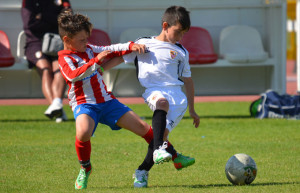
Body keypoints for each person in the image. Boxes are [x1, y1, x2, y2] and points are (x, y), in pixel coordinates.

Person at [57, 11, 182, 190]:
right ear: (67, 40)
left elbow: (113, 48)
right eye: (82, 40)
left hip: (107, 102)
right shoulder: (64, 58)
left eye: (87, 39)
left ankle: (175, 155)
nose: (86, 43)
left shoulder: (90, 49)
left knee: (142, 127)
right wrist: (96, 62)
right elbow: (73, 76)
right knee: (83, 132)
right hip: (84, 104)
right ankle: (86, 168)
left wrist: (132, 46)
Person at [102, 5, 200, 188]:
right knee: (161, 104)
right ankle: (163, 151)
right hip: (154, 91)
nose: (180, 37)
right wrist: (100, 70)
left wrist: (193, 110)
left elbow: (188, 81)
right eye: (178, 32)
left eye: (183, 34)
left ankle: (142, 171)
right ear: (165, 25)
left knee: (160, 136)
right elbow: (121, 57)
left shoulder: (181, 52)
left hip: (178, 100)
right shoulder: (144, 43)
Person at [21, 0, 72, 123]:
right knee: (45, 69)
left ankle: (57, 104)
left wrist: (42, 17)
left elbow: (68, 20)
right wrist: (54, 19)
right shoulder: (28, 2)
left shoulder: (62, 0)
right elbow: (30, 24)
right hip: (35, 42)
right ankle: (58, 110)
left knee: (60, 67)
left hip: (56, 41)